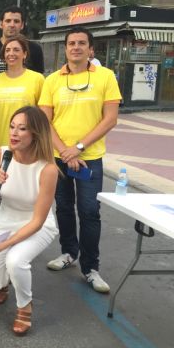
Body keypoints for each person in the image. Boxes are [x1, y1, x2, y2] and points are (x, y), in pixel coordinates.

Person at [39, 26, 121, 293]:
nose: (76, 47)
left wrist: (79, 148)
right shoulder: (52, 81)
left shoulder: (105, 77)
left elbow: (110, 119)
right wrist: (65, 150)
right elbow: (45, 121)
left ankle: (91, 268)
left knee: (89, 212)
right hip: (58, 157)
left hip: (90, 158)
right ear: (65, 49)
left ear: (91, 49)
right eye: (71, 43)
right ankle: (68, 252)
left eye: (81, 43)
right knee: (63, 207)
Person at [0, 106, 59, 336]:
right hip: (5, 221)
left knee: (16, 260)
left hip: (36, 224)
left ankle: (24, 306)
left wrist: (5, 245)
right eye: (12, 127)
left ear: (36, 134)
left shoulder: (48, 169)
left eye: (22, 129)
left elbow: (38, 221)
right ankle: (4, 281)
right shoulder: (1, 155)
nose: (14, 133)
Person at [0, 34, 45, 234]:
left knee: (23, 188)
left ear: (25, 54)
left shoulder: (37, 79)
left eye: (16, 50)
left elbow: (42, 115)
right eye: (7, 50)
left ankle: (25, 225)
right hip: (1, 143)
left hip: (27, 145)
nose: (11, 54)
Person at [0, 6, 44, 80]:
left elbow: (39, 79)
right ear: (1, 24)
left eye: (16, 21)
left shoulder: (35, 49)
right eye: (8, 21)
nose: (12, 25)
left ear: (22, 25)